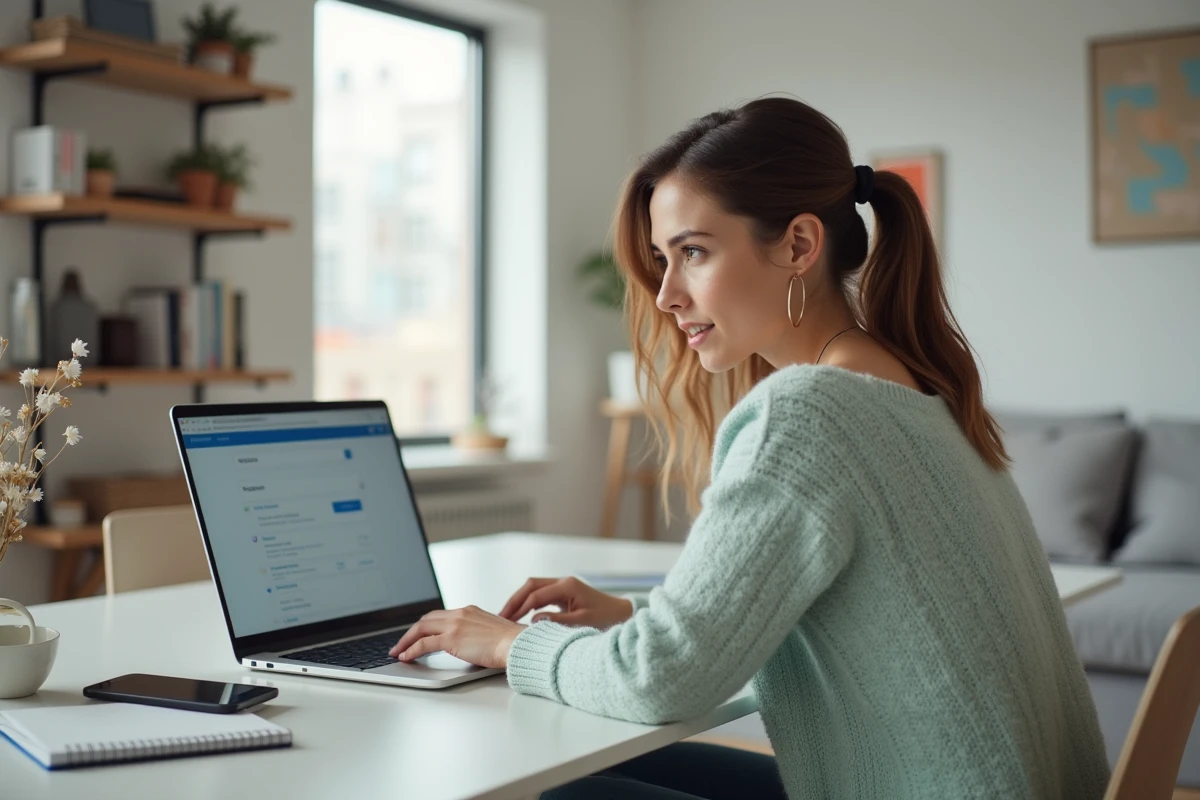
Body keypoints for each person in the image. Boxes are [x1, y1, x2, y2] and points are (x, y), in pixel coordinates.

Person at [388, 96, 1111, 799]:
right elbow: (828, 627)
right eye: (661, 261)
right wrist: (633, 622)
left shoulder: (809, 412)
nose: (667, 294)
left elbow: (659, 683)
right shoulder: (921, 391)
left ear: (799, 244)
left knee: (550, 793)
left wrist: (506, 643)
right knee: (578, 778)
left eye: (693, 252)